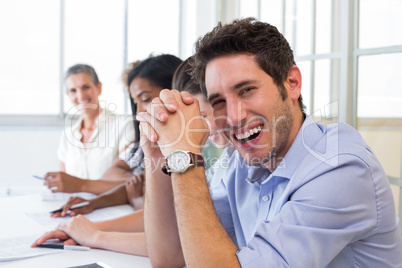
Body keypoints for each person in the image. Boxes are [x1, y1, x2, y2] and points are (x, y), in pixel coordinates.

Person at [139, 18, 402, 267]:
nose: (233, 116)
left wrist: (185, 156)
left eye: (246, 90)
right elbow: (170, 256)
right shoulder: (240, 163)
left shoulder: (340, 168)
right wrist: (156, 153)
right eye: (218, 101)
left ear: (292, 83)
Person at [32, 56, 234, 256]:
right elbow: (171, 232)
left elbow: (176, 247)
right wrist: (91, 228)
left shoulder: (214, 153)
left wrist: (97, 233)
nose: (140, 111)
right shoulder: (173, 146)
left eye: (146, 99)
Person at [43, 64, 136, 194]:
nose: (80, 95)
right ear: (68, 95)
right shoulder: (67, 136)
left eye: (86, 87)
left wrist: (82, 186)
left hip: (113, 208)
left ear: (99, 87)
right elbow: (64, 184)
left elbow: (130, 182)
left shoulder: (124, 125)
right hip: (75, 209)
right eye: (73, 90)